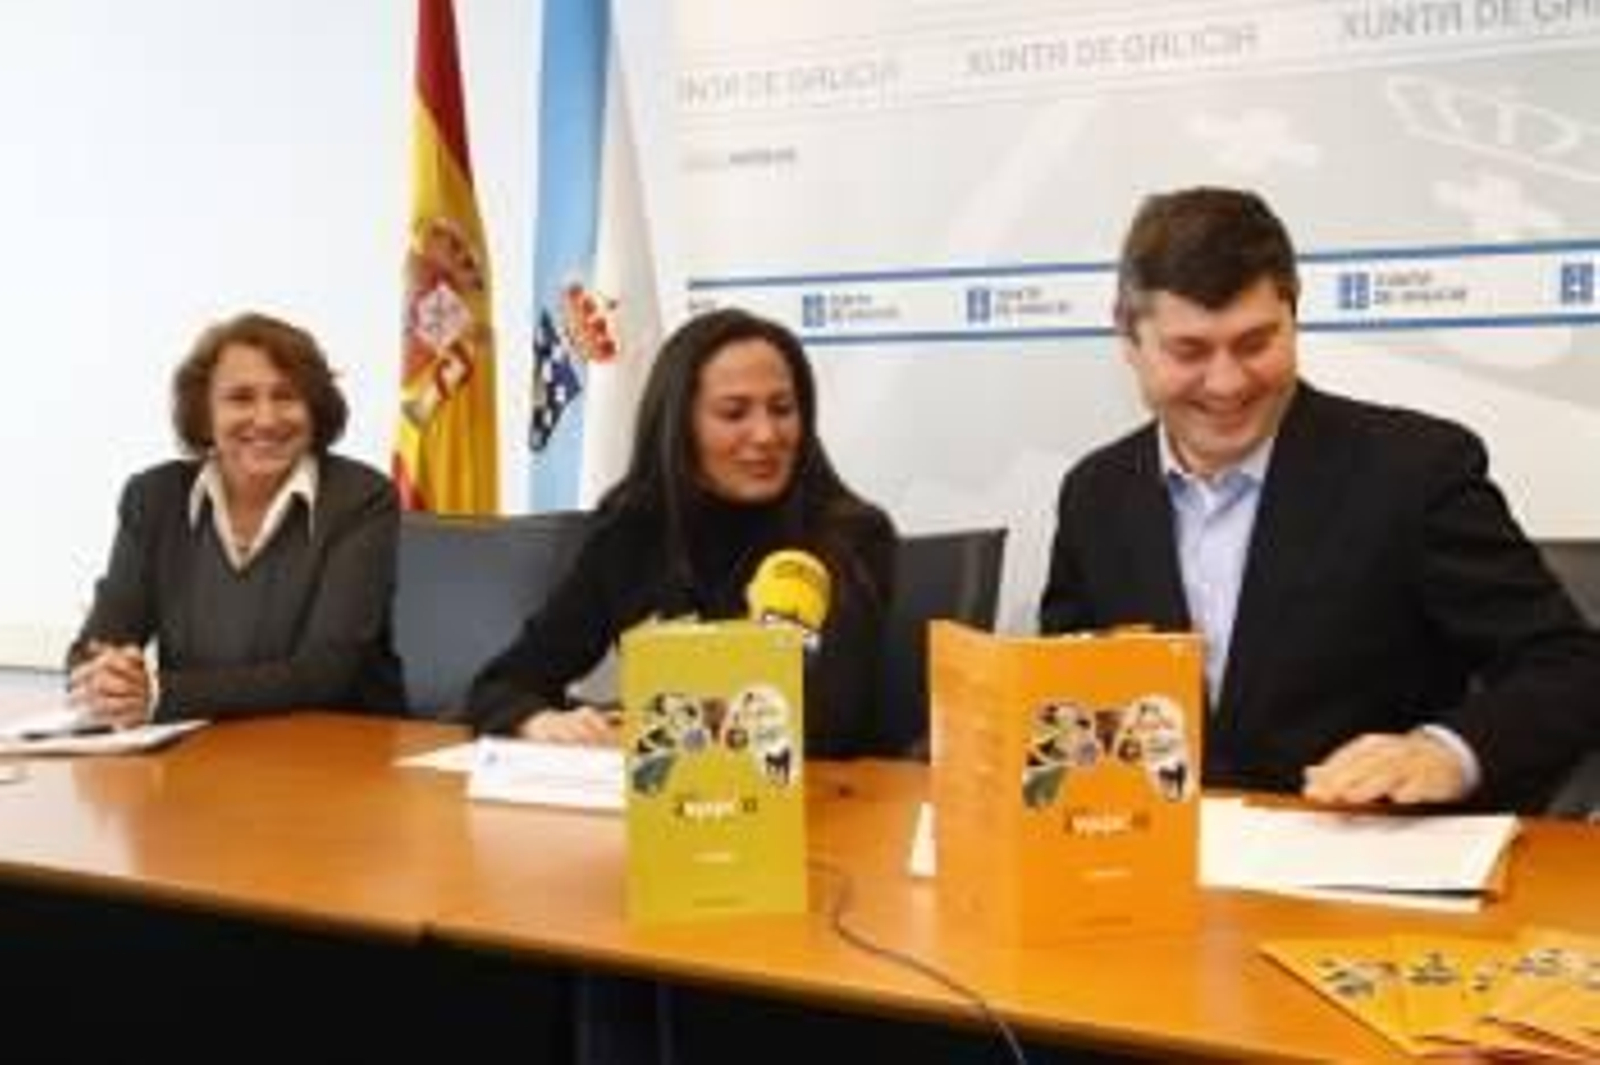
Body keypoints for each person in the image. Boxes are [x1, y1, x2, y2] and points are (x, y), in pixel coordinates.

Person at [1039, 186, 1600, 812]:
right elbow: (1067, 695)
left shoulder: (1417, 470)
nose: (1226, 383)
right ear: (1129, 340)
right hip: (1152, 866)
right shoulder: (1095, 494)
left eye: (1255, 343)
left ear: (1293, 316)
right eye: (1189, 351)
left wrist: (1446, 751)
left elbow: (1570, 667)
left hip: (1362, 866)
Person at [466, 307, 896, 758]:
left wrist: (647, 725)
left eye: (783, 409)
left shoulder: (849, 536)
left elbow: (827, 723)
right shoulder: (631, 530)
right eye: (734, 413)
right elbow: (503, 684)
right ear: (678, 425)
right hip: (666, 810)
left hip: (818, 809)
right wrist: (538, 721)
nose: (767, 434)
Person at [68, 311, 406, 724]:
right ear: (203, 414)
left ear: (314, 408)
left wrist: (160, 694)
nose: (266, 419)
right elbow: (103, 639)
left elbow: (325, 674)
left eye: (286, 396)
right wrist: (102, 677)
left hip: (335, 756)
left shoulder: (361, 499)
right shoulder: (154, 498)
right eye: (241, 398)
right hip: (196, 754)